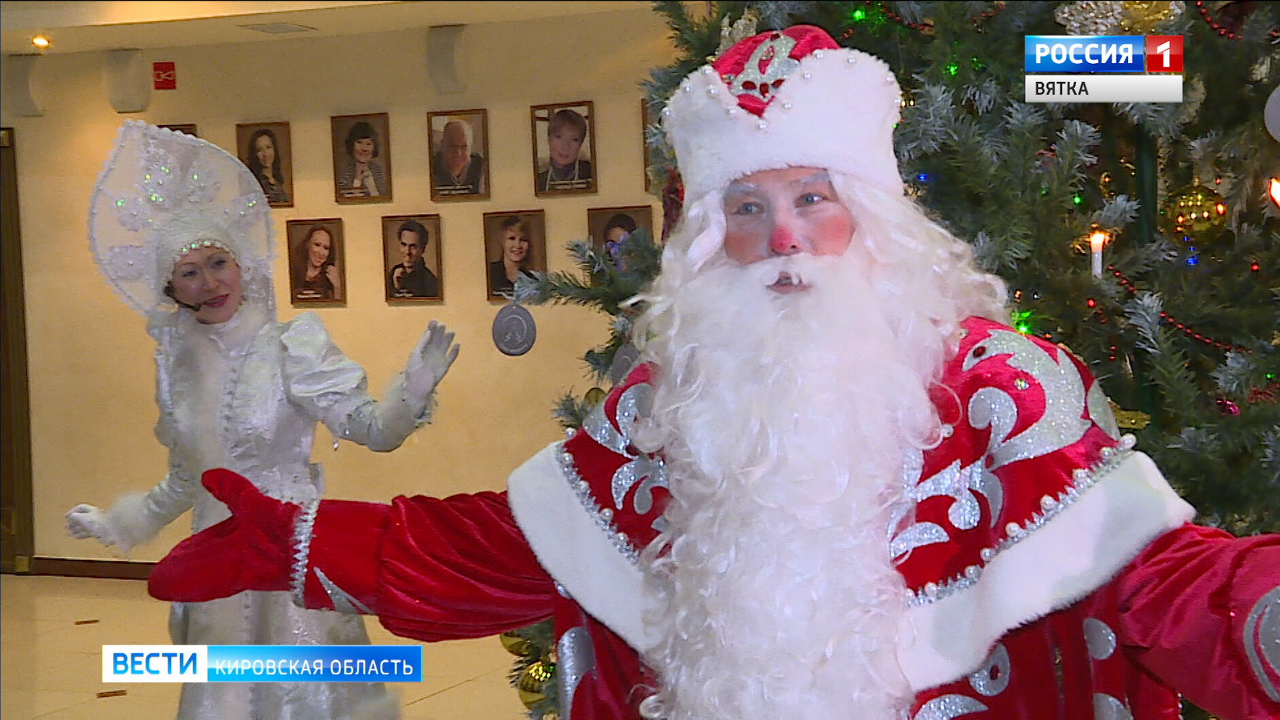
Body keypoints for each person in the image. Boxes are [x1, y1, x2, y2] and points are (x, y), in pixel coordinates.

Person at [148, 27, 1280, 720]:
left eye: (811, 198)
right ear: (707, 239)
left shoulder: (1002, 388)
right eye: (747, 207)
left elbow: (1152, 577)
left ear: (870, 216)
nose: (782, 237)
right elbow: (518, 547)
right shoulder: (666, 401)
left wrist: (1261, 609)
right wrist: (312, 543)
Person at [67, 120, 461, 720]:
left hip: (290, 553)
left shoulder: (291, 345)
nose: (210, 282)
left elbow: (371, 429)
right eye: (189, 272)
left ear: (242, 263)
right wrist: (117, 523)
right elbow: (187, 479)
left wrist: (410, 395)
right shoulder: (176, 367)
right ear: (171, 288)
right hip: (217, 565)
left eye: (218, 261)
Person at [536, 107, 593, 192]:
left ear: (580, 144)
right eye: (559, 137)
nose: (565, 146)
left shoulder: (592, 174)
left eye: (574, 139)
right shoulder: (539, 180)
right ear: (549, 139)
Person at [431, 118, 485, 196]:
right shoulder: (430, 166)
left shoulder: (481, 167)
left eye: (464, 147)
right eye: (452, 146)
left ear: (470, 147)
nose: (458, 153)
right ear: (442, 145)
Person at [387, 219, 439, 298]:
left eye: (413, 246)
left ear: (422, 249)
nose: (407, 252)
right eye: (404, 245)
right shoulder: (390, 276)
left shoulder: (431, 283)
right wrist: (396, 288)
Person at [487, 215, 536, 297]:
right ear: (502, 241)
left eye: (523, 240)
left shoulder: (533, 280)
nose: (518, 245)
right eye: (512, 238)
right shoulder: (489, 274)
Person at [337, 120, 387, 199]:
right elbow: (346, 199)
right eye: (359, 142)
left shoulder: (378, 170)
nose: (364, 148)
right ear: (351, 145)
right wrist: (358, 179)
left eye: (368, 144)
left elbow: (383, 196)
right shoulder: (344, 172)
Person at [291, 224, 341, 301]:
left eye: (326, 248)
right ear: (307, 244)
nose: (321, 253)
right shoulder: (293, 272)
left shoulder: (331, 278)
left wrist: (337, 286)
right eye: (317, 245)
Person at [244, 127, 289, 205]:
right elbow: (247, 205)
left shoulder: (277, 181)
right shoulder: (253, 184)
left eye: (268, 147)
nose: (265, 154)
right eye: (259, 150)